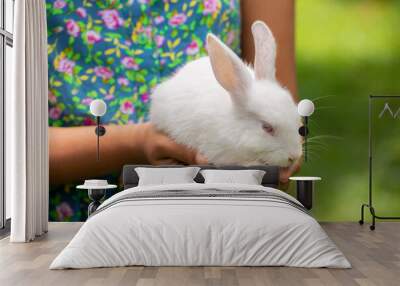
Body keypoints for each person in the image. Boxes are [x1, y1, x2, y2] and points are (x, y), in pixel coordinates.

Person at [47, 0, 298, 220]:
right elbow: (10, 150)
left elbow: (278, 106)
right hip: (71, 208)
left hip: (217, 214)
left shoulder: (255, 107)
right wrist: (140, 142)